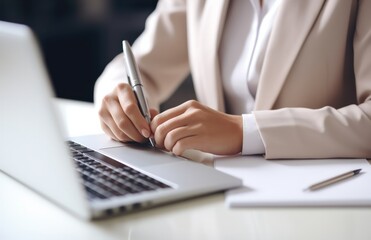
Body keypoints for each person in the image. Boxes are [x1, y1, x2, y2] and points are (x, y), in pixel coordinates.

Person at [94, 0, 371, 159]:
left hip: (320, 201)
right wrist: (117, 98)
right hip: (215, 191)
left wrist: (245, 132)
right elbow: (139, 64)